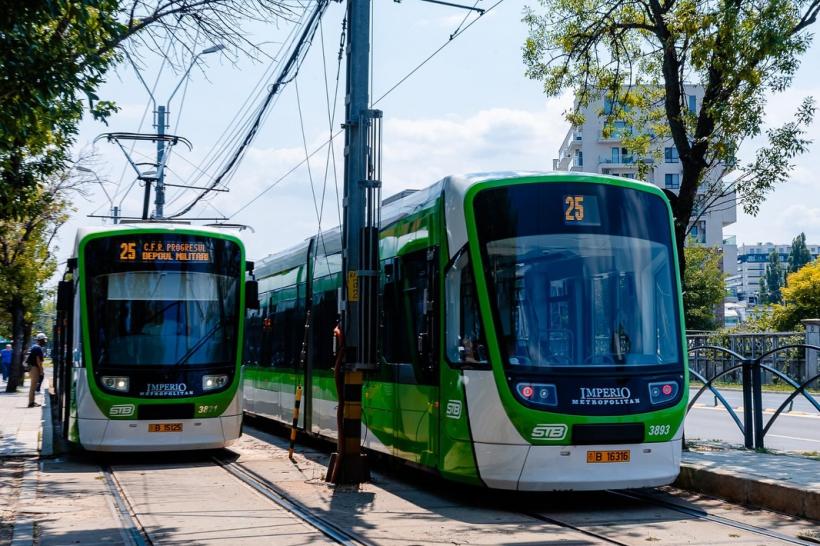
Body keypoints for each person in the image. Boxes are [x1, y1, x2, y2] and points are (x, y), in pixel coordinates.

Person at [27, 333, 47, 408]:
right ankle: (31, 402)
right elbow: (38, 361)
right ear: (41, 340)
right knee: (33, 386)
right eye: (44, 340)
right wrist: (41, 371)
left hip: (32, 368)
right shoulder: (38, 348)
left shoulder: (34, 347)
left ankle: (32, 401)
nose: (45, 341)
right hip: (35, 368)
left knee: (34, 386)